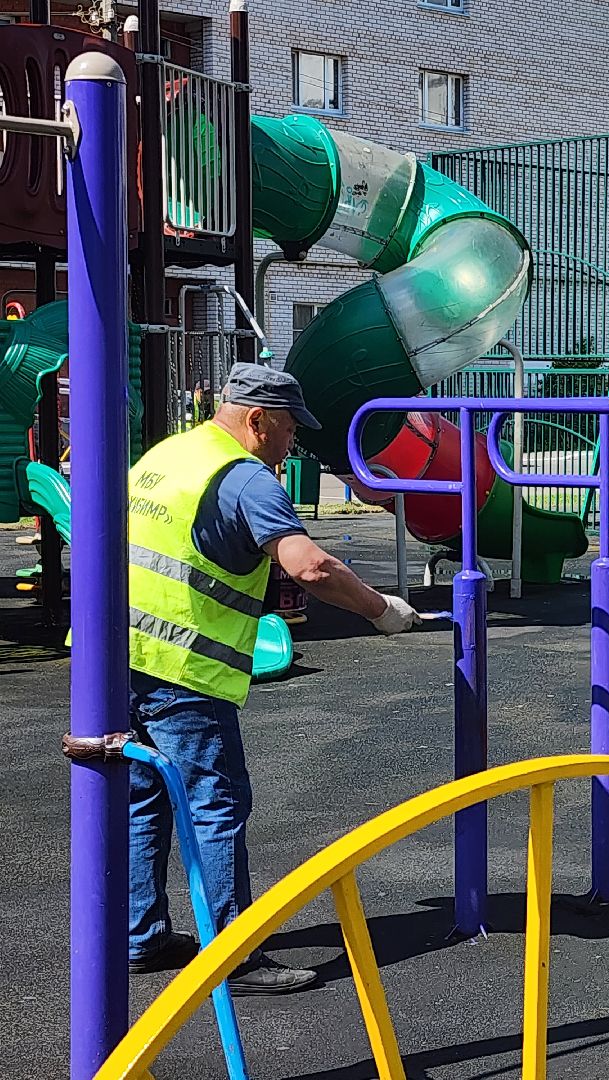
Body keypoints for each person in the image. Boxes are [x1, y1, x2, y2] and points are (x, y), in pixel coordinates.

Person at [126, 363, 419, 994]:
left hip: (117, 660)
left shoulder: (170, 455)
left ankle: (141, 934)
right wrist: (380, 609)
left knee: (144, 798)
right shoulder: (244, 479)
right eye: (289, 429)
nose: (293, 445)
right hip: (183, 665)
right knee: (216, 804)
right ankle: (233, 956)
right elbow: (310, 567)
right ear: (257, 420)